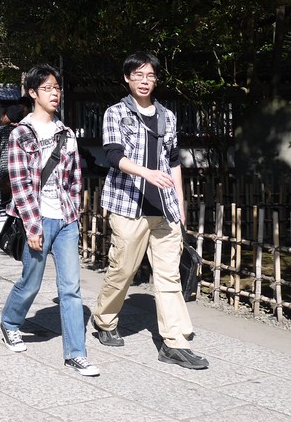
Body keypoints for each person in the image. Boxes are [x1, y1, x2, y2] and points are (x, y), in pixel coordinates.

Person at [89, 51, 208, 370]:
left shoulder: (168, 116)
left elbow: (174, 162)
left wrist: (180, 204)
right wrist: (146, 173)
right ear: (127, 78)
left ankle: (173, 343)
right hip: (128, 204)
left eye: (150, 75)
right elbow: (113, 155)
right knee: (123, 269)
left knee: (169, 275)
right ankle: (104, 320)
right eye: (138, 75)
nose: (144, 81)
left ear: (156, 79)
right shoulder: (115, 113)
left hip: (164, 207)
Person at [0, 64, 100, 377]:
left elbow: (75, 178)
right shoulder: (21, 134)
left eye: (57, 88)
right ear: (33, 93)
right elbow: (20, 185)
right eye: (47, 88)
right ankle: (10, 322)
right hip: (38, 218)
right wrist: (33, 226)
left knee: (71, 288)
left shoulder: (66, 134)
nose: (55, 93)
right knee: (31, 281)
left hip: (65, 219)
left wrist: (73, 214)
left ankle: (75, 354)